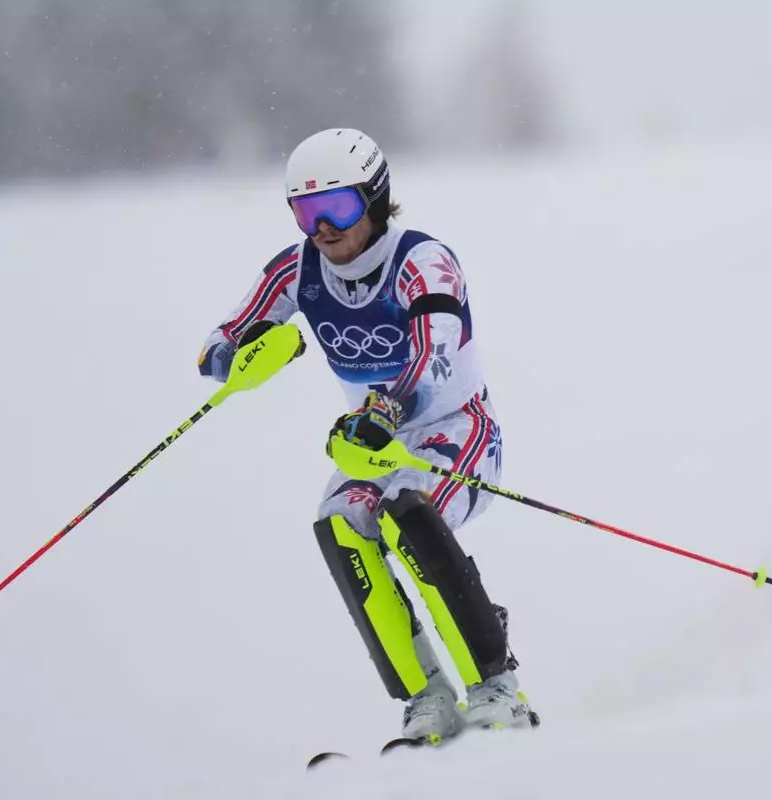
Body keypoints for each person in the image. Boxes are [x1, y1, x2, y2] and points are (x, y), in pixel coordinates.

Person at [198, 128, 535, 742]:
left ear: (375, 200)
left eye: (337, 207)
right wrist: (240, 354)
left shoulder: (422, 262)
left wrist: (388, 408)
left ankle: (497, 689)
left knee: (410, 515)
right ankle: (427, 698)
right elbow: (220, 343)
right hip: (371, 443)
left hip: (457, 429)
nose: (323, 228)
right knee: (341, 524)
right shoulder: (297, 269)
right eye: (306, 212)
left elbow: (434, 356)